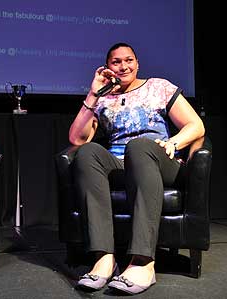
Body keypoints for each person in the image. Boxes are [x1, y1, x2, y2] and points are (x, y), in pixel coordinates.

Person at [69, 42, 205, 294]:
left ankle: (143, 261)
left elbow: (196, 126)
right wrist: (93, 94)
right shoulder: (103, 99)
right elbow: (77, 139)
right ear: (107, 67)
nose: (123, 66)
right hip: (120, 164)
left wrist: (173, 143)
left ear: (137, 63)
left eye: (128, 60)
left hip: (158, 158)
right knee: (88, 152)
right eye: (116, 62)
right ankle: (104, 258)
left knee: (138, 147)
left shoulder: (159, 87)